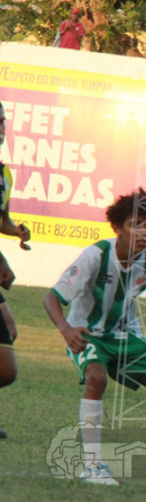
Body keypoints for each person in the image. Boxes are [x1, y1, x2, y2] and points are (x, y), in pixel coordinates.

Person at [42, 189, 146, 487]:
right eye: (136, 224)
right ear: (117, 228)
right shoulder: (96, 255)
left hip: (127, 335)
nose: (144, 231)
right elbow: (51, 298)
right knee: (96, 378)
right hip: (89, 334)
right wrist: (67, 330)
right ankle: (92, 465)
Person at [0, 103, 32, 441]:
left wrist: (16, 230)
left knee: (9, 330)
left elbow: (2, 220)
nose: (0, 127)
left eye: (2, 122)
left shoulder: (4, 173)